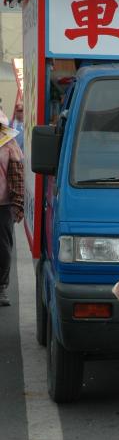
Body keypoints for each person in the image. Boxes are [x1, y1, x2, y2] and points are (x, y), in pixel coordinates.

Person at [0, 126, 24, 306]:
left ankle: (1, 287)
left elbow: (17, 176)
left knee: (3, 248)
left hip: (3, 205)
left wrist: (17, 204)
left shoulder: (9, 144)